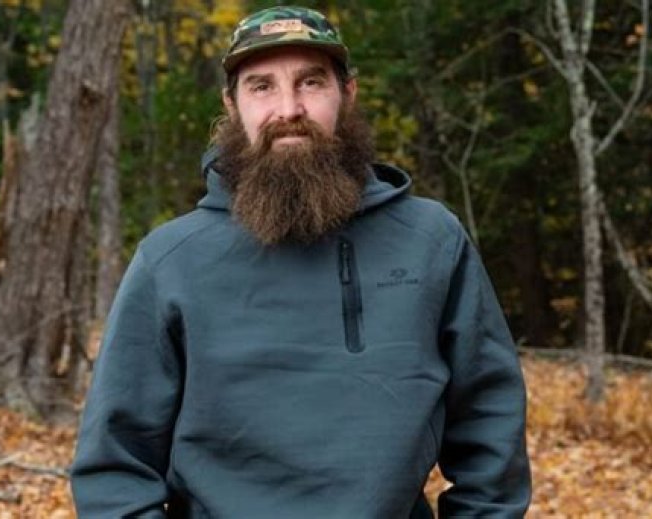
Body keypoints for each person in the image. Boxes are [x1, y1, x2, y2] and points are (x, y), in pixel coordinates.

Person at [71, 6, 531, 518]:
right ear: (232, 105)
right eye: (261, 86)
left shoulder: (429, 240)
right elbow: (115, 465)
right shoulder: (171, 261)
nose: (288, 109)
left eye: (311, 82)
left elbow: (489, 423)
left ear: (347, 94)